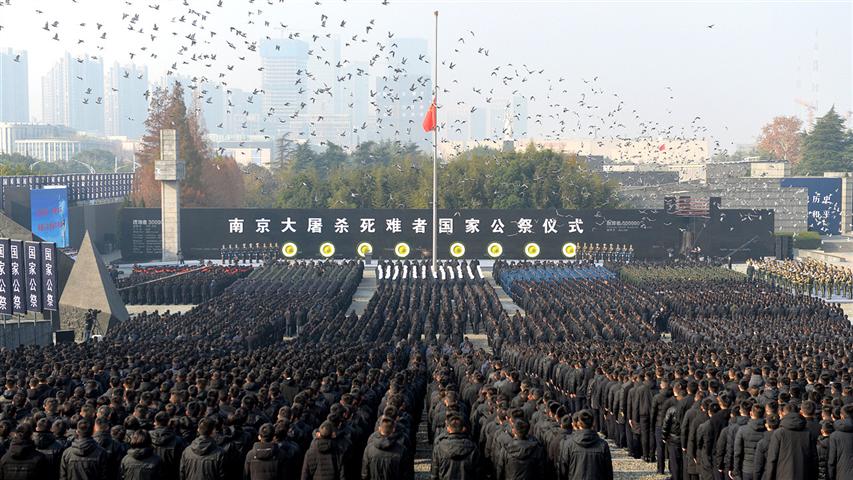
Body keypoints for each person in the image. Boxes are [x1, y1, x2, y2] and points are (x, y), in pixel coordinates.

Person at [762, 403, 818, 480]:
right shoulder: (808, 433)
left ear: (783, 413)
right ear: (799, 412)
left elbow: (772, 459)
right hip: (803, 475)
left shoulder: (779, 433)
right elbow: (814, 459)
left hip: (783, 475)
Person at [558, 409, 613, 480]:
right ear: (593, 423)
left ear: (578, 424)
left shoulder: (568, 444)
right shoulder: (603, 445)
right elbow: (608, 473)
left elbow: (563, 471)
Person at [431, 414, 478, 480]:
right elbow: (478, 473)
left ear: (448, 429)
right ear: (463, 429)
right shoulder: (472, 447)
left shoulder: (439, 447)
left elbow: (434, 473)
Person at [828, 404, 853, 480]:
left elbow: (832, 460)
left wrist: (831, 476)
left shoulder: (835, 435)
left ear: (842, 416)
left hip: (842, 474)